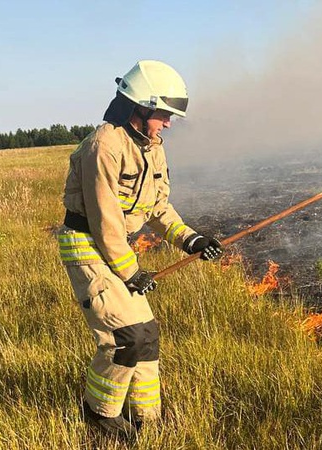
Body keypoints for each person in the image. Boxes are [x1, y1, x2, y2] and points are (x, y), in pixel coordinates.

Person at [57, 60, 223, 436]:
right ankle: (99, 415)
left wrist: (192, 240)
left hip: (114, 247)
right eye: (164, 114)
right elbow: (105, 221)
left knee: (146, 334)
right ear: (141, 107)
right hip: (87, 246)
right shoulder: (104, 146)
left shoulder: (151, 148)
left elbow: (157, 207)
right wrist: (131, 272)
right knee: (125, 337)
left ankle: (147, 418)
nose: (169, 123)